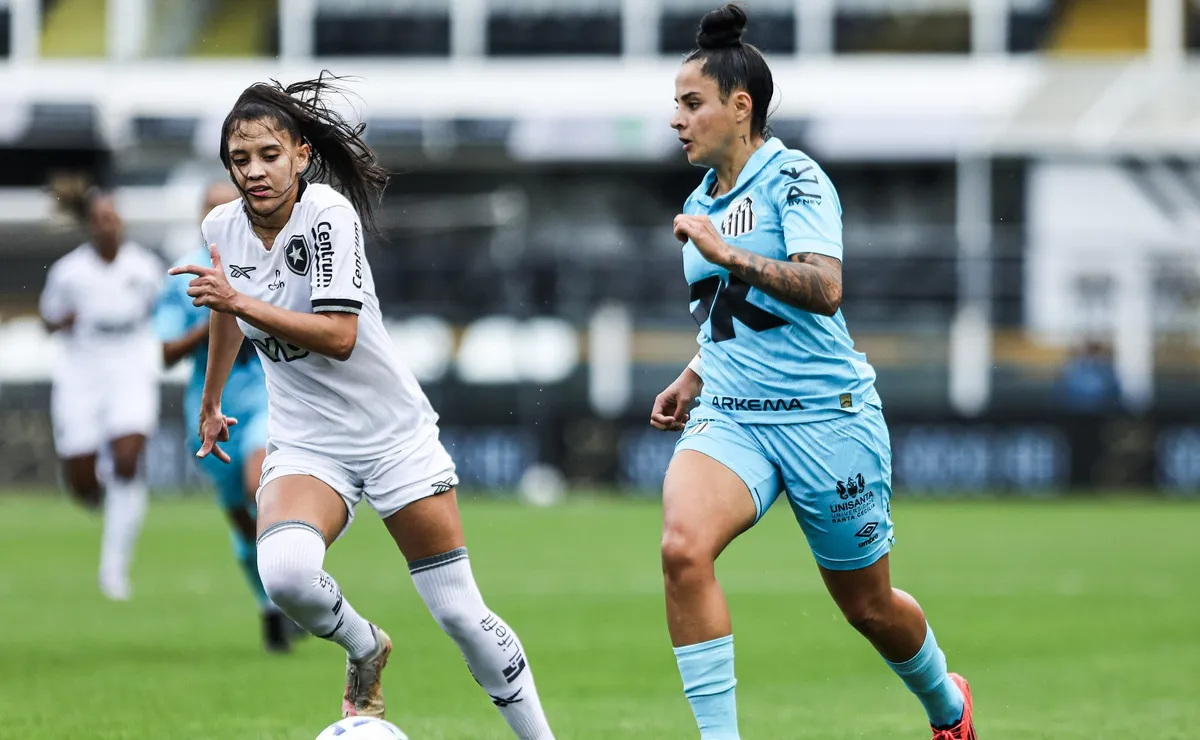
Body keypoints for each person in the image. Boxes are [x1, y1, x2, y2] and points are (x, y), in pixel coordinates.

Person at [168, 74, 555, 737]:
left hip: (392, 438)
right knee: (285, 577)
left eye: (269, 154)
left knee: (460, 614)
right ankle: (364, 645)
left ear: (300, 155)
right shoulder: (220, 226)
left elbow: (339, 336)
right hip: (308, 444)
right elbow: (225, 314)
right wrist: (211, 400)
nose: (254, 171)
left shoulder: (328, 215)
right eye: (240, 159)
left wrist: (238, 300)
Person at [650, 6, 976, 739]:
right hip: (733, 417)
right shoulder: (700, 203)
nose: (677, 119)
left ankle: (948, 706)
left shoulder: (796, 178)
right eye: (676, 104)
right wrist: (694, 373)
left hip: (826, 417)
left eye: (691, 103)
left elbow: (824, 288)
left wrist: (728, 254)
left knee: (869, 607)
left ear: (740, 107)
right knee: (683, 550)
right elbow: (733, 312)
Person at [155, 181, 298, 652]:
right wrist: (216, 320)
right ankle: (270, 604)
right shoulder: (183, 274)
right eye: (211, 208)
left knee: (260, 485)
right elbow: (166, 352)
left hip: (264, 396)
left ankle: (295, 581)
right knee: (241, 519)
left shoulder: (266, 258)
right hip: (211, 405)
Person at [39, 188, 163, 602]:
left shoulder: (145, 268)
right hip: (81, 377)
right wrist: (61, 322)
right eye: (101, 219)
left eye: (114, 217)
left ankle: (114, 569)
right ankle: (103, 491)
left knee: (127, 461)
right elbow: (47, 320)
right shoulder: (68, 273)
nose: (109, 225)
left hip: (129, 372)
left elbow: (162, 311)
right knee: (83, 486)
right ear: (90, 225)